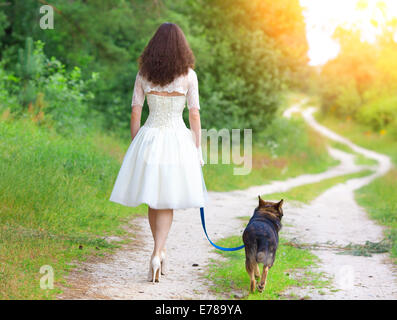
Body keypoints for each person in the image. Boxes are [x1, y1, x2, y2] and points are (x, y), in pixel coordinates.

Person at [109, 22, 208, 283]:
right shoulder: (189, 76)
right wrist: (197, 148)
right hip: (177, 139)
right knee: (167, 200)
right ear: (182, 47)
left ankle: (158, 251)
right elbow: (194, 114)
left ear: (154, 46)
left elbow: (135, 112)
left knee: (154, 198)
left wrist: (135, 143)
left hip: (150, 137)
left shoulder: (144, 73)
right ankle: (157, 252)